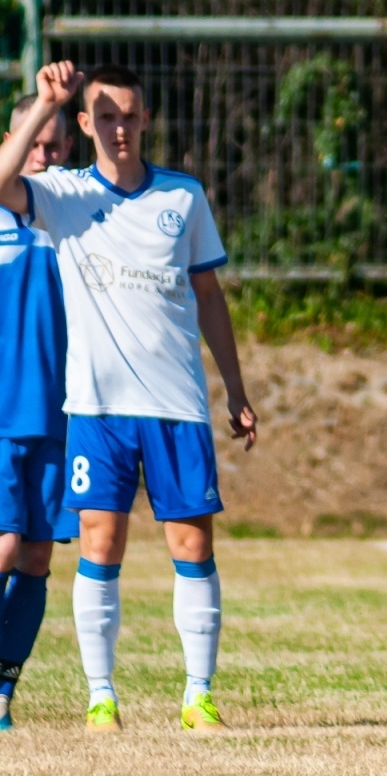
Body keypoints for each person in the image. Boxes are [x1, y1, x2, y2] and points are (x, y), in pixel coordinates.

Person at [0, 60, 257, 733]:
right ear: (84, 124)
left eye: (129, 116)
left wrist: (236, 389)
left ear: (146, 120)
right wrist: (41, 104)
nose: (119, 128)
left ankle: (198, 694)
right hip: (96, 410)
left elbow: (209, 296)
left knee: (192, 546)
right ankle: (100, 695)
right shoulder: (64, 195)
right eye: (104, 117)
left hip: (177, 408)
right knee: (98, 542)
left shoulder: (182, 198)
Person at [0, 94, 76, 730]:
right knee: (2, 545)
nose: (46, 157)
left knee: (37, 556)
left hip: (57, 411)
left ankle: (2, 689)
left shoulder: (71, 216)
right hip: (1, 412)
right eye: (36, 145)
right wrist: (45, 105)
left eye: (56, 146)